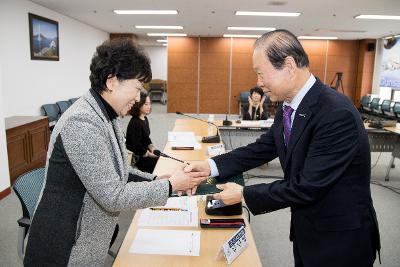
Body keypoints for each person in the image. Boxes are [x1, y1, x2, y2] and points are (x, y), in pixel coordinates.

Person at [185, 29, 380, 267]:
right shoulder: (289, 105)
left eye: (260, 73)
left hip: (340, 239)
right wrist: (210, 166)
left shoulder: (335, 113)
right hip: (308, 230)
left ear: (288, 65)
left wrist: (245, 194)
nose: (258, 83)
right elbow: (264, 147)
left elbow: (309, 185)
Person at [24, 38, 206, 266]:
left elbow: (118, 171)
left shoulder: (104, 114)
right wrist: (170, 186)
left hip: (84, 240)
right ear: (112, 81)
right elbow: (113, 196)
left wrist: (158, 179)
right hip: (64, 249)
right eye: (137, 88)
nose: (139, 98)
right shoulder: (82, 122)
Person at [126, 91, 159, 173]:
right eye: (145, 104)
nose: (149, 107)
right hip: (138, 156)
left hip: (145, 149)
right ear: (138, 105)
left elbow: (146, 137)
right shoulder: (135, 123)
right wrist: (148, 153)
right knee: (158, 163)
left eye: (149, 104)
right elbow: (135, 146)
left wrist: (151, 147)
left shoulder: (144, 118)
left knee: (161, 156)